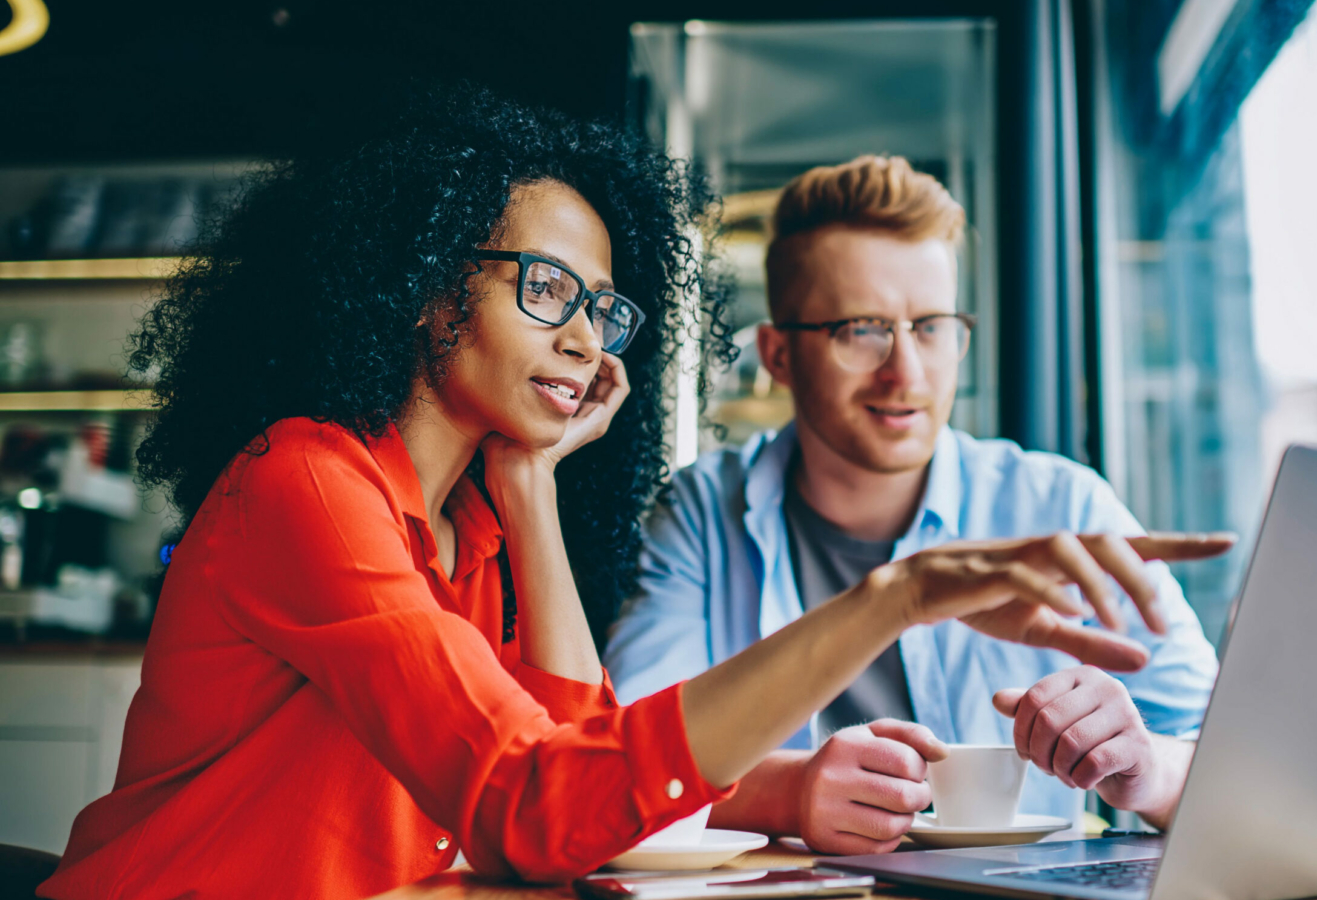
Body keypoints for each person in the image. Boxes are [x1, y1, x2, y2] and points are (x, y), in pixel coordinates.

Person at [37, 88, 1228, 900]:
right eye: (546, 288)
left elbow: (567, 754)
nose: (583, 339)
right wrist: (895, 598)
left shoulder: (474, 528)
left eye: (601, 307)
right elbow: (537, 802)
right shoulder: (307, 482)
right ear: (419, 286)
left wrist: (529, 483)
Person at [605, 156, 1228, 855]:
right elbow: (620, 763)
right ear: (778, 356)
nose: (906, 371)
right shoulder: (701, 512)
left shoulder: (1061, 505)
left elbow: (1234, 762)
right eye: (861, 330)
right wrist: (790, 791)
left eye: (931, 326)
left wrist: (1145, 769)